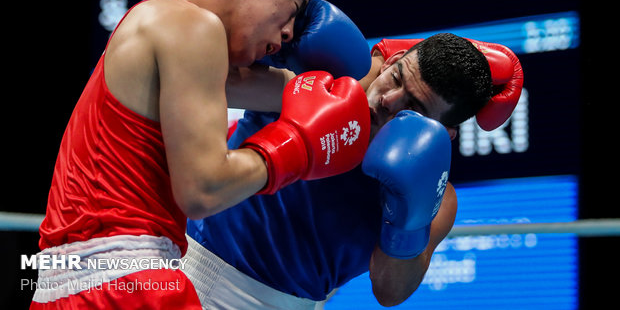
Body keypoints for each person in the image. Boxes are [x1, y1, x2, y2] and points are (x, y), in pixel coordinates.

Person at [30, 0, 372, 309]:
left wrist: (340, 85)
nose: (287, 33)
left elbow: (280, 89)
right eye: (293, 9)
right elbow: (204, 191)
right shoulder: (193, 25)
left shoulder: (160, 26)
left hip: (72, 285)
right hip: (127, 282)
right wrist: (295, 146)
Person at [184, 32, 524, 309]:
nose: (389, 100)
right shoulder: (322, 78)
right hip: (184, 261)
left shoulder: (437, 198)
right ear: (392, 61)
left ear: (442, 134)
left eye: (413, 107)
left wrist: (406, 219)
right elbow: (212, 82)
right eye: (396, 78)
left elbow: (390, 292)